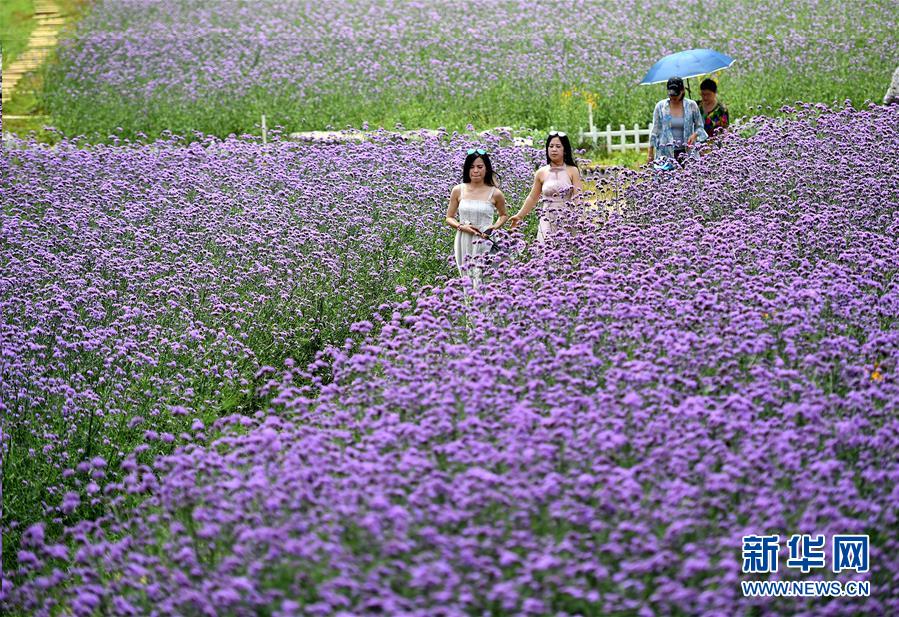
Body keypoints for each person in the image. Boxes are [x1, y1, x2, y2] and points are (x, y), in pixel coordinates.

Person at [445, 148, 508, 286]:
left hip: (485, 238)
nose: (475, 171)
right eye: (472, 167)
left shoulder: (495, 193)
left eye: (480, 167)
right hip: (464, 239)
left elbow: (503, 215)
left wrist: (494, 227)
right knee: (467, 278)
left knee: (484, 277)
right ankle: (470, 306)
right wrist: (462, 227)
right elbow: (449, 217)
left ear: (487, 169)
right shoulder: (458, 190)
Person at [508, 131, 583, 243]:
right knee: (545, 249)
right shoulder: (541, 172)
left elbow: (578, 196)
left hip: (567, 218)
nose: (554, 149)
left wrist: (581, 218)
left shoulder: (572, 170)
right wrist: (519, 216)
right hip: (547, 218)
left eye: (558, 146)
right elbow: (532, 198)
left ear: (565, 150)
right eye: (551, 146)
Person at [647, 76, 707, 164]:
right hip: (665, 153)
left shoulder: (691, 105)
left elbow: (700, 127)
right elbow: (655, 130)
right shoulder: (660, 107)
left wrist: (694, 135)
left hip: (688, 152)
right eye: (671, 95)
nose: (673, 97)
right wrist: (650, 152)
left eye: (676, 94)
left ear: (682, 91)